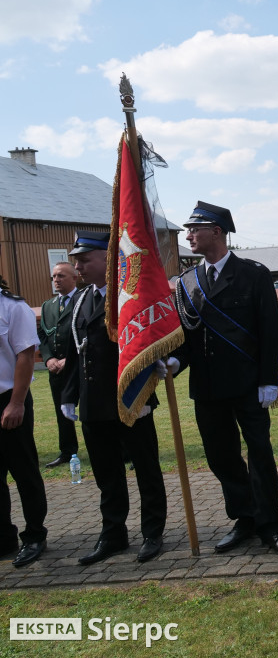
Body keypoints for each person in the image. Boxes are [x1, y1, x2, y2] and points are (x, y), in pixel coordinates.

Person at [172, 201, 278, 557]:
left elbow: (269, 333)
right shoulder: (186, 282)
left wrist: (269, 380)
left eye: (195, 229)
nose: (189, 235)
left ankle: (271, 524)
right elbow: (186, 339)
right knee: (220, 456)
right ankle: (244, 517)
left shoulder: (253, 274)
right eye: (188, 230)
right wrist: (174, 363)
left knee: (259, 454)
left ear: (217, 232)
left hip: (248, 385)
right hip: (208, 388)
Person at [63, 231, 166, 564]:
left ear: (106, 259)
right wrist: (69, 394)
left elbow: (148, 335)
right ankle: (113, 533)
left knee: (146, 470)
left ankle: (152, 533)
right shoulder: (80, 299)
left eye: (83, 260)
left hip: (129, 397)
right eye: (75, 260)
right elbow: (77, 353)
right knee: (107, 475)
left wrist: (155, 360)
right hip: (94, 402)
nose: (77, 266)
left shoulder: (129, 296)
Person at [0, 271, 48, 568]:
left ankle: (35, 536)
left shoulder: (12, 307)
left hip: (9, 399)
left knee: (23, 471)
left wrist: (17, 402)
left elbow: (26, 356)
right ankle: (4, 538)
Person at [37, 260, 80, 468]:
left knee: (96, 409)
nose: (56, 280)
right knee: (62, 412)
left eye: (61, 276)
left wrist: (69, 358)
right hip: (57, 370)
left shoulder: (83, 300)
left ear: (75, 277)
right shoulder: (48, 306)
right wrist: (48, 358)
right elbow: (43, 336)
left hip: (80, 366)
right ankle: (67, 451)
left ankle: (120, 450)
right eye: (54, 276)